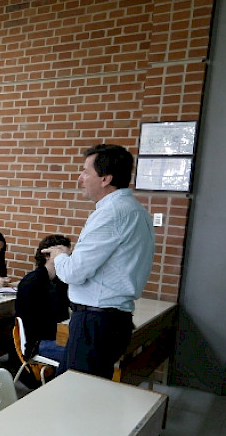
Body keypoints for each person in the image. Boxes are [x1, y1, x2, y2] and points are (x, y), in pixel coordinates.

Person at [41, 144, 155, 379]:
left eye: (86, 172)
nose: (80, 178)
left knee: (74, 392)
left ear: (105, 179)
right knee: (80, 389)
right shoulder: (137, 211)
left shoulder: (111, 213)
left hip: (95, 322)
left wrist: (60, 256)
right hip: (111, 320)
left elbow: (73, 272)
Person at [15, 235, 71, 362]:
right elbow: (36, 324)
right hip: (37, 344)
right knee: (83, 355)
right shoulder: (32, 282)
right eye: (63, 255)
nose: (67, 260)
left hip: (53, 338)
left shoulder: (60, 282)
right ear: (47, 255)